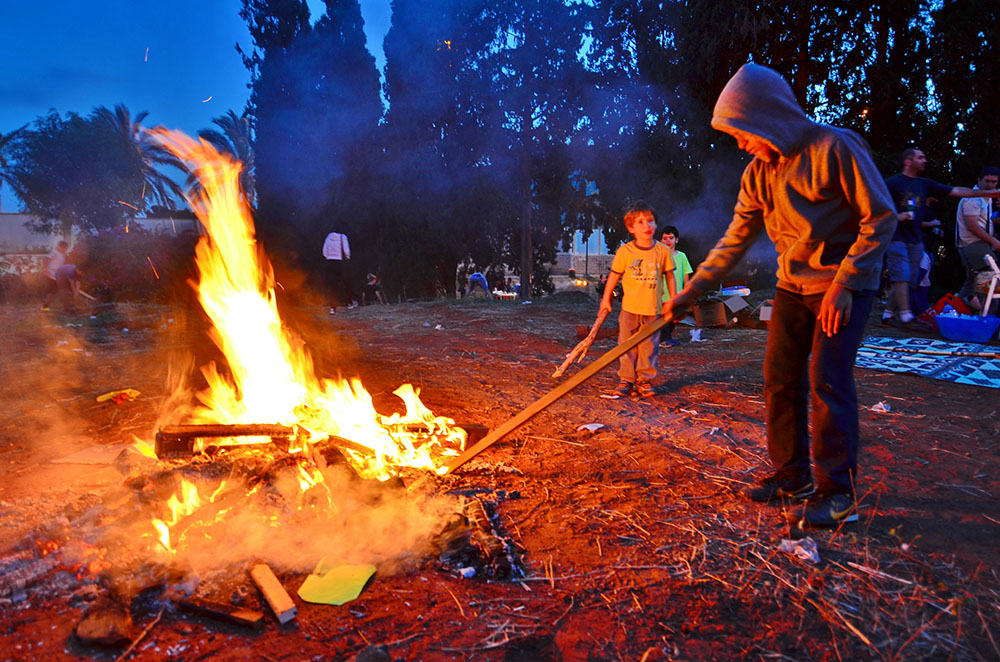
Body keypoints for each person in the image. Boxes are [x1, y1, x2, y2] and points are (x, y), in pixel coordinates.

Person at [665, 63, 897, 527]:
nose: (741, 143)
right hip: (793, 285)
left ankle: (838, 492)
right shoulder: (758, 173)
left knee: (826, 379)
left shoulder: (836, 147)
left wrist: (846, 284)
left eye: (743, 131)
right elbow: (734, 241)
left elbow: (881, 218)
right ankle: (793, 477)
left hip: (842, 287)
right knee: (778, 379)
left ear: (767, 117)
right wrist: (690, 292)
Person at [882, 151, 1000, 328]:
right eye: (920, 157)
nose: (925, 160)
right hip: (897, 237)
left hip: (915, 240)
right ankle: (907, 317)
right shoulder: (892, 183)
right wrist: (897, 216)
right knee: (988, 274)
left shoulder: (924, 184)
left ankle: (888, 313)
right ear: (908, 161)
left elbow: (957, 191)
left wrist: (990, 194)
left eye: (995, 182)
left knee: (909, 279)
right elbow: (875, 205)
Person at [600, 200, 676, 399]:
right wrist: (606, 299)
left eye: (650, 221)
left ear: (656, 225)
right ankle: (626, 380)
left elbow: (669, 276)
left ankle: (644, 380)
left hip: (653, 310)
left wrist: (672, 301)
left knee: (649, 347)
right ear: (631, 227)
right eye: (641, 222)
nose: (647, 226)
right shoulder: (625, 252)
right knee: (626, 345)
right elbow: (614, 276)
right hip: (630, 309)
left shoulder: (663, 251)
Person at [954, 167, 1000, 303]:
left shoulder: (987, 198)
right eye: (987, 181)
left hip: (978, 243)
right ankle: (985, 313)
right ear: (979, 180)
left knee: (972, 282)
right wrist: (993, 241)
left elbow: (982, 221)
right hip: (972, 244)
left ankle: (953, 309)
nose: (990, 185)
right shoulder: (973, 199)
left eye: (994, 182)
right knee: (991, 277)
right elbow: (972, 225)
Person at [658, 225, 693, 347]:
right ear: (661, 241)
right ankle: (662, 339)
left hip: (677, 294)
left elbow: (686, 274)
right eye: (665, 238)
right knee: (663, 319)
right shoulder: (659, 257)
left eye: (671, 238)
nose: (668, 241)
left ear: (676, 240)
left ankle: (668, 337)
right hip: (663, 295)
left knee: (673, 318)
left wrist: (686, 292)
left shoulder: (682, 256)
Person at [322, 230, 357, 313]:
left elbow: (324, 252)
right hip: (340, 262)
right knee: (347, 282)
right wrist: (347, 257)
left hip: (330, 262)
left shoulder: (328, 237)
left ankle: (332, 308)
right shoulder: (343, 237)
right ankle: (349, 303)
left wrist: (329, 257)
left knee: (333, 285)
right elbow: (346, 251)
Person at [41, 240, 69, 311]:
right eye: (64, 248)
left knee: (59, 290)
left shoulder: (63, 255)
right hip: (51, 275)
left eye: (65, 248)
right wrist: (46, 270)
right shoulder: (54, 252)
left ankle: (65, 306)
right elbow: (46, 260)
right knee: (52, 292)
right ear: (59, 247)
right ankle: (45, 307)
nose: (65, 250)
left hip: (58, 275)